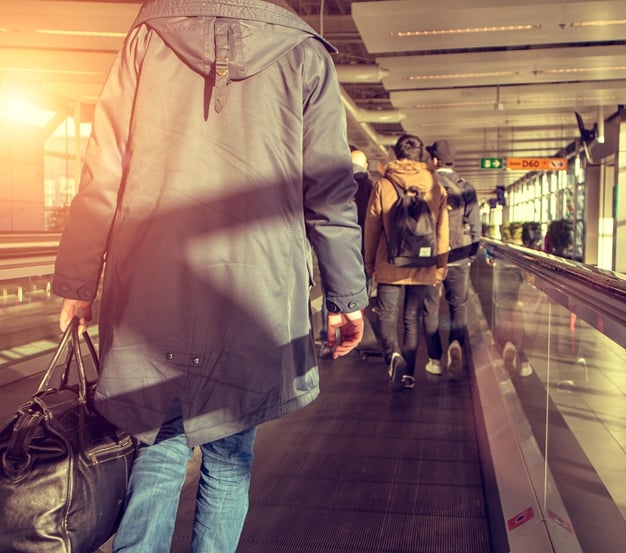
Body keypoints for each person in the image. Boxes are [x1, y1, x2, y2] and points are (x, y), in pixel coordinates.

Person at [51, 1, 367, 552]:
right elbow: (331, 192)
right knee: (229, 450)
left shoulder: (149, 35)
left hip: (151, 279)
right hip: (257, 288)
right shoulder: (304, 51)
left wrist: (80, 282)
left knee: (158, 442)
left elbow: (103, 169)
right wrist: (346, 297)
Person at [364, 133, 448, 392]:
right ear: (421, 156)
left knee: (386, 314)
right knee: (411, 318)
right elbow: (441, 230)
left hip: (390, 263)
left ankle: (393, 356)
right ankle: (408, 375)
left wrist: (369, 263)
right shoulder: (435, 186)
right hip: (422, 265)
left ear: (396, 155)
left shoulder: (383, 185)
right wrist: (440, 267)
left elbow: (372, 226)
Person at [422, 140, 482, 379]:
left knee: (430, 309)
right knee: (458, 305)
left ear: (435, 161)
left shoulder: (427, 185)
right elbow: (476, 225)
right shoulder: (465, 187)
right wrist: (471, 255)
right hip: (459, 255)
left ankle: (435, 360)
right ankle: (455, 344)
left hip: (431, 258)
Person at [319, 144, 374, 357]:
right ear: (365, 165)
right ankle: (355, 321)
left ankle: (326, 338)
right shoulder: (372, 187)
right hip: (363, 249)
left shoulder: (336, 184)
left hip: (335, 250)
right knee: (361, 290)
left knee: (330, 291)